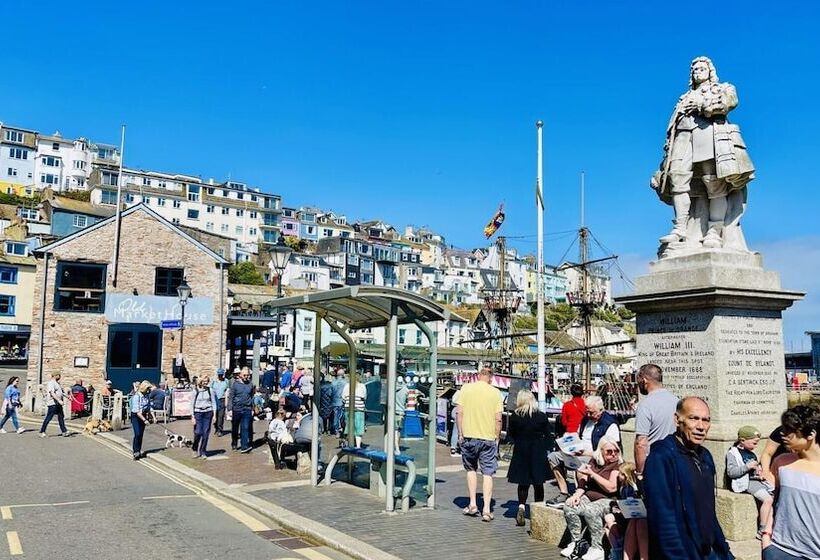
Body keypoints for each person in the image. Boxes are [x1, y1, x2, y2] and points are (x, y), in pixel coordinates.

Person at [650, 56, 754, 251]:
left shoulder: (723, 88)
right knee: (677, 178)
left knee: (713, 183)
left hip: (708, 134)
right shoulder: (683, 97)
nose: (697, 72)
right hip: (682, 138)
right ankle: (680, 228)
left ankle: (714, 232)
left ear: (710, 71)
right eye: (695, 69)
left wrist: (701, 104)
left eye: (701, 68)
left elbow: (728, 103)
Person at [644, 397, 732, 560]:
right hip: (682, 552)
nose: (701, 427)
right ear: (678, 420)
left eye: (706, 420)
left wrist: (724, 550)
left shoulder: (705, 457)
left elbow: (708, 510)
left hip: (709, 550)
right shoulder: (661, 457)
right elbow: (662, 516)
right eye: (694, 418)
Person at [762, 404, 820, 559]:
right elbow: (776, 500)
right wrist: (766, 537)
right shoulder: (781, 462)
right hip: (780, 550)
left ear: (811, 434)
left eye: (790, 431)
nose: (783, 434)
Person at [547, 395, 621, 506]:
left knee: (580, 465)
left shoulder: (610, 424)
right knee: (553, 457)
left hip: (595, 457)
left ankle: (579, 494)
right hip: (578, 451)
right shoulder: (586, 420)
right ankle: (564, 492)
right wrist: (569, 443)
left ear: (600, 411)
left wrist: (585, 452)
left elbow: (611, 450)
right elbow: (578, 435)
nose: (589, 415)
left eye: (592, 412)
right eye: (587, 412)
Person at [560, 436, 622, 560]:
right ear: (601, 451)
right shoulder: (594, 461)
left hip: (609, 499)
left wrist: (592, 474)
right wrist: (577, 495)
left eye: (616, 451)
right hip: (589, 495)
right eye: (609, 451)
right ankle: (576, 543)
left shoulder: (617, 465)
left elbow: (611, 488)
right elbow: (584, 479)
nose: (613, 454)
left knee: (591, 510)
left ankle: (597, 548)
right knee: (569, 506)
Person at [456, 367, 503, 523]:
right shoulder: (496, 393)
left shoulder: (466, 389)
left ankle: (473, 504)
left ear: (478, 376)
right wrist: (497, 438)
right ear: (491, 378)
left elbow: (459, 413)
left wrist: (460, 434)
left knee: (471, 469)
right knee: (488, 473)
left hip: (469, 436)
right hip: (488, 438)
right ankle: (487, 509)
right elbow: (498, 419)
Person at [506, 389, 550, 527]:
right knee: (538, 483)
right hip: (537, 451)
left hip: (521, 451)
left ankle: (521, 507)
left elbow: (510, 435)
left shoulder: (515, 416)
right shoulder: (541, 416)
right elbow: (548, 435)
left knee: (523, 483)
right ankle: (538, 510)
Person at [725, 425, 774, 540]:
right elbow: (731, 472)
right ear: (742, 440)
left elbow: (755, 469)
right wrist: (747, 467)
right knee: (768, 500)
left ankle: (769, 527)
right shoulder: (733, 453)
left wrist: (759, 472)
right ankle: (762, 530)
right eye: (754, 443)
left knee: (773, 497)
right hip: (746, 482)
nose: (756, 446)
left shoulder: (751, 453)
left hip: (756, 480)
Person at [634, 363, 679, 477]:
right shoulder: (676, 401)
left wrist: (639, 472)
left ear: (644, 380)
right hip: (675, 460)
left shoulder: (645, 405)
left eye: (638, 381)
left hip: (654, 463)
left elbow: (641, 443)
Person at [604, 461, 648, 560]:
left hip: (637, 515)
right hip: (627, 514)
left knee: (635, 521)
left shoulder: (635, 488)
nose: (618, 476)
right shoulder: (623, 488)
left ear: (627, 475)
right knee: (608, 522)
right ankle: (617, 550)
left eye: (621, 474)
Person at [191, 375, 218, 458]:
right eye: (204, 381)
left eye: (207, 381)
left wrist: (214, 415)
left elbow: (214, 403)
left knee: (206, 433)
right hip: (198, 413)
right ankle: (194, 448)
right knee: (198, 432)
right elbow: (191, 404)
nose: (206, 383)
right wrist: (192, 416)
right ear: (200, 382)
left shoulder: (210, 390)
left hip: (208, 412)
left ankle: (203, 451)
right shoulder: (195, 391)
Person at [230, 367, 255, 453]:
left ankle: (244, 446)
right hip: (236, 409)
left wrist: (252, 408)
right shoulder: (235, 384)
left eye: (248, 375)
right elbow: (231, 397)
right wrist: (229, 409)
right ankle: (234, 442)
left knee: (245, 427)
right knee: (235, 427)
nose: (246, 377)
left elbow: (252, 396)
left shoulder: (250, 384)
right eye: (244, 375)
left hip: (247, 408)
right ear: (240, 375)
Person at [342, 372, 368, 448]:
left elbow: (343, 397)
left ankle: (350, 444)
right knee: (359, 428)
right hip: (359, 409)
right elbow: (365, 397)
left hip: (348, 408)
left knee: (349, 426)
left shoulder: (347, 386)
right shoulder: (362, 386)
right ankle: (358, 446)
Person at [39, 372, 69, 437]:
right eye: (59, 375)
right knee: (49, 417)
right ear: (55, 375)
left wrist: (67, 396)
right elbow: (52, 393)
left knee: (61, 417)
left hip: (57, 404)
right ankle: (42, 431)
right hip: (53, 403)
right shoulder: (51, 383)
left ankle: (64, 431)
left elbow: (60, 392)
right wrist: (59, 400)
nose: (60, 377)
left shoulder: (57, 383)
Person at [130, 381, 153, 460]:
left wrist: (151, 417)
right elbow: (137, 412)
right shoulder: (137, 396)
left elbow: (148, 407)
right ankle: (135, 451)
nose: (149, 390)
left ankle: (138, 450)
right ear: (144, 388)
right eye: (148, 388)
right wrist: (145, 420)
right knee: (137, 433)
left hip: (143, 414)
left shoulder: (147, 396)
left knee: (141, 435)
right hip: (136, 416)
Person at [210, 369, 229, 436]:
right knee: (215, 415)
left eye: (221, 374)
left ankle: (220, 430)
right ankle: (216, 427)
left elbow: (227, 390)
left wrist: (226, 400)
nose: (220, 376)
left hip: (222, 399)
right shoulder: (213, 381)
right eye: (219, 374)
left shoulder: (226, 381)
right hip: (215, 399)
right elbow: (210, 389)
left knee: (221, 416)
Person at [330, 368, 346, 435]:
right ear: (343, 375)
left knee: (336, 416)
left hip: (334, 402)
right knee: (342, 417)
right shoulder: (345, 383)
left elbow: (330, 393)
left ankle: (337, 430)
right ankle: (342, 429)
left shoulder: (333, 383)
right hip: (343, 402)